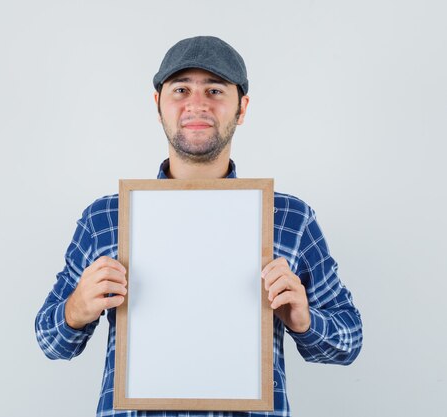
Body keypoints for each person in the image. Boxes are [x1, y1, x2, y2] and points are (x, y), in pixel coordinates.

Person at [35, 36, 363, 417]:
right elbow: (51, 342)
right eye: (181, 89)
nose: (197, 103)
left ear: (242, 108)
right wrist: (76, 309)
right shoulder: (106, 218)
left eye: (215, 89)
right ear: (157, 105)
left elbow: (349, 340)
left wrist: (305, 320)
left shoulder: (288, 217)